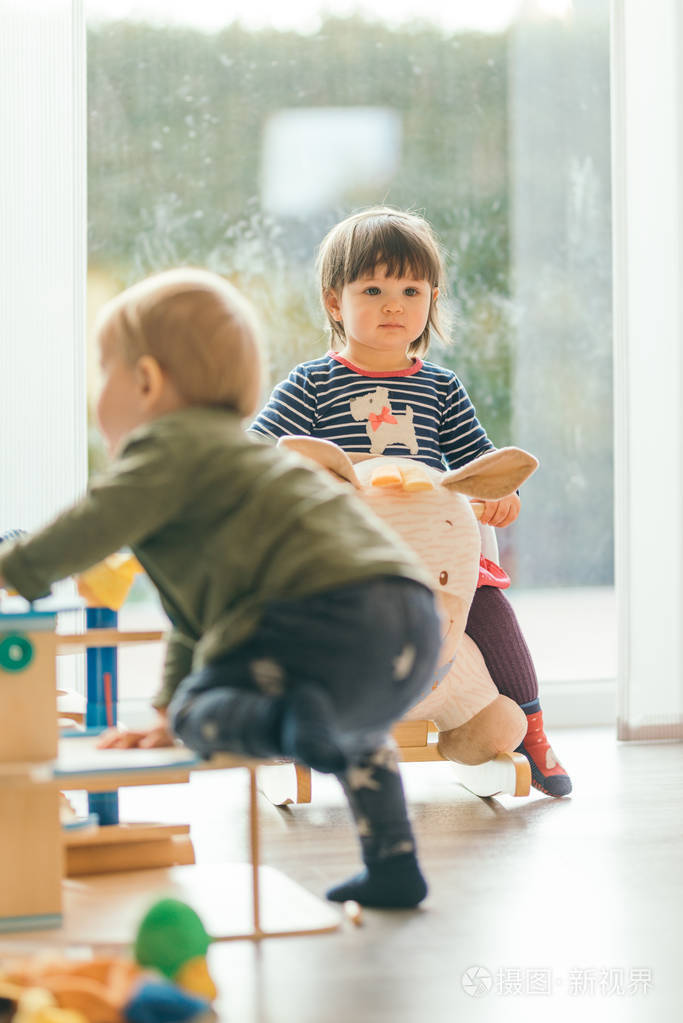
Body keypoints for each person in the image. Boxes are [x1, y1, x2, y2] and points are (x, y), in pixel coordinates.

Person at [0, 268, 443, 908]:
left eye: (105, 375)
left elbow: (89, 525)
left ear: (146, 382)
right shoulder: (240, 461)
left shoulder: (168, 449)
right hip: (408, 618)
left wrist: (16, 567)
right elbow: (194, 620)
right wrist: (161, 708)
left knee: (199, 717)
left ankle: (293, 722)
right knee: (356, 731)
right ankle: (394, 863)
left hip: (319, 613)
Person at [250, 206, 571, 797]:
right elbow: (258, 454)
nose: (393, 304)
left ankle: (531, 728)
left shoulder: (441, 388)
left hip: (435, 553)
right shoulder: (312, 384)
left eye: (410, 289)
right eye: (372, 288)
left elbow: (481, 464)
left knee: (492, 607)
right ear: (333, 301)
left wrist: (505, 499)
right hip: (346, 556)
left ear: (431, 298)